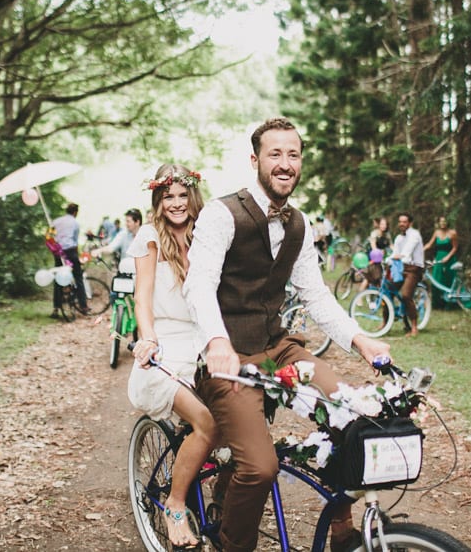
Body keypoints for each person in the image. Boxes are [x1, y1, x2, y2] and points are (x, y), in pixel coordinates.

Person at [182, 117, 391, 552]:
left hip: (278, 349)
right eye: (275, 154)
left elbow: (315, 295)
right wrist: (217, 342)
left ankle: (342, 531)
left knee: (353, 416)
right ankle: (231, 545)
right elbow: (198, 285)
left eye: (292, 154)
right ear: (255, 160)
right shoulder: (222, 214)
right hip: (230, 358)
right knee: (259, 467)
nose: (285, 163)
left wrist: (360, 339)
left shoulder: (299, 224)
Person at [127, 163, 216, 549]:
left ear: (193, 196)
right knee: (206, 423)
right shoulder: (150, 237)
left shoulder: (209, 233)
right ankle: (174, 504)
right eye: (168, 197)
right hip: (165, 346)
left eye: (183, 195)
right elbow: (142, 299)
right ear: (158, 201)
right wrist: (147, 339)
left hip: (205, 342)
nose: (177, 204)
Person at [51, 203, 90, 317]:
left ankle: (56, 309)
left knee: (58, 279)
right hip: (70, 251)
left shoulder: (56, 221)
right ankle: (83, 306)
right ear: (75, 212)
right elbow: (75, 240)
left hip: (59, 252)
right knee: (78, 277)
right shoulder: (75, 223)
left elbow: (51, 236)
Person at [390, 212, 424, 337]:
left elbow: (406, 252)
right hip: (401, 268)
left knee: (406, 295)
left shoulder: (415, 235)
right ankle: (385, 322)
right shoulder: (399, 238)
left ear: (410, 223)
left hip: (414, 269)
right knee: (388, 289)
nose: (402, 224)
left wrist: (398, 257)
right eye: (400, 222)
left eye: (404, 222)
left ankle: (414, 327)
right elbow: (395, 253)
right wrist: (388, 260)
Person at [423, 216, 459, 308]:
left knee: (448, 279)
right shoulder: (437, 232)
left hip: (449, 259)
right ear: (439, 223)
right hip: (439, 258)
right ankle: (437, 303)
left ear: (447, 222)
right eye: (441, 221)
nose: (443, 223)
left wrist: (448, 257)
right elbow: (430, 244)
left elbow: (455, 247)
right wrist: (421, 249)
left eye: (445, 221)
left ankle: (450, 304)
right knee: (436, 279)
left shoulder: (452, 233)